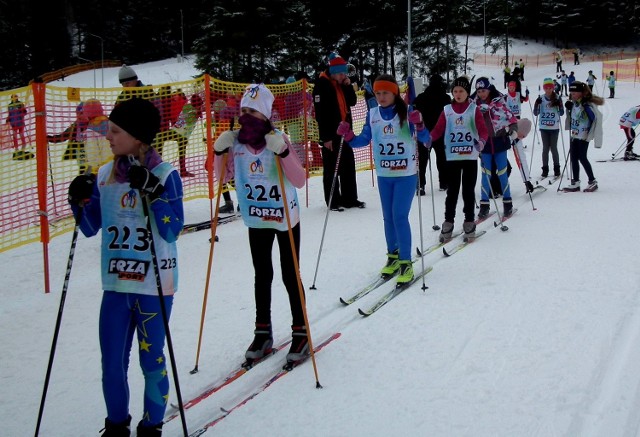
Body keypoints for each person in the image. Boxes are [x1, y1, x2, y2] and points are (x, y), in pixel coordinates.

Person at [67, 97, 184, 436]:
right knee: (112, 364)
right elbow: (90, 228)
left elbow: (172, 229)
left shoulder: (165, 173)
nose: (108, 136)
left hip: (154, 287)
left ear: (138, 137)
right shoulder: (104, 174)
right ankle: (116, 425)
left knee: (152, 360)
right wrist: (78, 200)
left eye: (116, 131)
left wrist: (154, 192)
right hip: (117, 285)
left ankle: (152, 426)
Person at [213, 83, 309, 365]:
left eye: (253, 110)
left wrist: (283, 153)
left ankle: (300, 331)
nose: (246, 116)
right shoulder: (237, 144)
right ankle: (262, 331)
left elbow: (300, 180)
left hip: (284, 218)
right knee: (261, 274)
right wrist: (219, 152)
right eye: (243, 110)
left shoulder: (278, 139)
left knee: (290, 274)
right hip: (256, 216)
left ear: (265, 114)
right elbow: (221, 180)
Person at [336, 74, 431, 284]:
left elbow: (427, 140)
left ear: (394, 92)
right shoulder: (373, 114)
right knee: (388, 218)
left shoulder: (407, 112)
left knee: (399, 216)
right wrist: (349, 135)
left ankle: (406, 262)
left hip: (405, 174)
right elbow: (361, 141)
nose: (381, 97)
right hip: (385, 175)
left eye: (385, 92)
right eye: (377, 93)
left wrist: (421, 125)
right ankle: (393, 256)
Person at [429, 75, 488, 242]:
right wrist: (428, 139)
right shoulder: (447, 110)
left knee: (468, 191)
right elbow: (438, 129)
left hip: (470, 156)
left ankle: (469, 221)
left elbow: (483, 130)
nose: (458, 94)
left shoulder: (473, 109)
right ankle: (448, 222)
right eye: (455, 91)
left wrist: (482, 142)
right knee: (452, 192)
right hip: (453, 157)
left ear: (467, 92)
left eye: (461, 91)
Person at [312, 52, 365, 211]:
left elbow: (353, 102)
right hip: (330, 133)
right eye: (341, 73)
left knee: (348, 165)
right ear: (333, 72)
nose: (343, 75)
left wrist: (348, 85)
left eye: (344, 73)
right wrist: (325, 138)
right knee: (331, 167)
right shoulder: (322, 84)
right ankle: (333, 201)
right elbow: (320, 114)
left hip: (345, 131)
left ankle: (350, 198)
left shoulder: (342, 83)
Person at [474, 77, 519, 218]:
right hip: (485, 144)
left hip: (500, 142)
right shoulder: (474, 105)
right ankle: (484, 205)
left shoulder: (499, 102)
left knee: (502, 173)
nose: (482, 94)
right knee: (485, 175)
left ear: (489, 89)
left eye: (484, 90)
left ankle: (507, 203)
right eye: (479, 91)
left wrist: (513, 129)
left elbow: (510, 117)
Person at [413, 74, 452, 193]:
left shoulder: (421, 97)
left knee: (423, 160)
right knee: (442, 158)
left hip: (424, 132)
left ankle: (420, 184)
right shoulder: (445, 98)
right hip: (440, 132)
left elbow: (415, 111)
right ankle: (444, 182)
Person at [563, 81, 604, 192]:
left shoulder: (587, 103)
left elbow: (594, 118)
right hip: (575, 135)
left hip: (584, 136)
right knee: (573, 158)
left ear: (581, 92)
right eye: (571, 92)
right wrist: (569, 108)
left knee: (582, 157)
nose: (573, 94)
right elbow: (573, 116)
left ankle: (592, 180)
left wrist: (586, 108)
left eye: (575, 92)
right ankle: (575, 182)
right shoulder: (575, 103)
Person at [155, 93, 204, 177]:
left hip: (183, 135)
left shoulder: (194, 110)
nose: (200, 107)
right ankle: (157, 165)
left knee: (182, 152)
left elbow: (197, 117)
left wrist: (197, 113)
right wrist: (195, 113)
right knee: (161, 137)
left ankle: (183, 171)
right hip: (177, 132)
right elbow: (187, 119)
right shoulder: (188, 107)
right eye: (199, 105)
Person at [533, 78, 564, 177]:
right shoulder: (541, 98)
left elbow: (561, 113)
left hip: (554, 127)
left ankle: (557, 168)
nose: (548, 90)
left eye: (550, 88)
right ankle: (545, 169)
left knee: (554, 148)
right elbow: (536, 113)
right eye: (546, 88)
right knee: (545, 149)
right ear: (544, 88)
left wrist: (559, 105)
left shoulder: (557, 97)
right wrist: (536, 104)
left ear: (553, 88)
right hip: (544, 127)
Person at [47, 101, 88, 174]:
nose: (78, 116)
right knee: (83, 171)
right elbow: (63, 136)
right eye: (77, 114)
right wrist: (50, 138)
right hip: (81, 153)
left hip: (94, 156)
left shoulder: (95, 125)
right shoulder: (75, 126)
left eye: (81, 113)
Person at [82, 98, 113, 172]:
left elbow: (92, 153)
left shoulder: (91, 131)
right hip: (118, 164)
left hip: (103, 169)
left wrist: (93, 171)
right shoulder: (112, 125)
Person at [6, 94, 32, 160]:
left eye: (15, 97)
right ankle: (16, 149)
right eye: (13, 97)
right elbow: (10, 114)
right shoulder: (9, 105)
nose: (14, 98)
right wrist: (8, 118)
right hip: (13, 123)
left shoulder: (20, 104)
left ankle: (23, 148)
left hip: (20, 123)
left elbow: (25, 112)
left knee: (21, 135)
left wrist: (23, 111)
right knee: (14, 136)